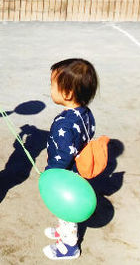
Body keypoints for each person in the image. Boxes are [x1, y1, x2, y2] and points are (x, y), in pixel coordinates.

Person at [42, 58, 99, 260]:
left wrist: (50, 174)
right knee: (63, 211)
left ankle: (69, 246)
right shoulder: (85, 112)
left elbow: (62, 156)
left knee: (67, 211)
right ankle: (62, 230)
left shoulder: (64, 124)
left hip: (68, 176)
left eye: (52, 85)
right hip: (79, 169)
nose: (50, 88)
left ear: (67, 93)